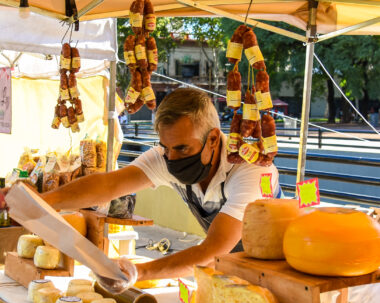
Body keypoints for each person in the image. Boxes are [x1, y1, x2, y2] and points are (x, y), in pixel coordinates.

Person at [40, 87, 281, 281]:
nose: (171, 159)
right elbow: (107, 185)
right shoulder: (167, 156)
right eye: (165, 147)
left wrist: (140, 272)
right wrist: (41, 201)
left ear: (213, 139)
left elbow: (212, 250)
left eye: (182, 148)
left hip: (278, 273)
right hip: (229, 270)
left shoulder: (251, 170)